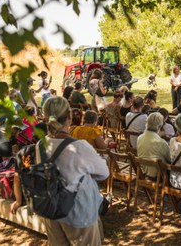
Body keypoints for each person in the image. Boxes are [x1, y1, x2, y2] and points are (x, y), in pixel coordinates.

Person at [11, 96, 109, 245]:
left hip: (52, 209)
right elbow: (104, 173)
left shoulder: (40, 145)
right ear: (69, 116)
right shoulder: (79, 147)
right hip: (78, 212)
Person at [137, 112, 170, 180]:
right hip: (159, 176)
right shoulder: (161, 142)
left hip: (144, 172)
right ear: (160, 126)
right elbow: (170, 159)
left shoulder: (140, 138)